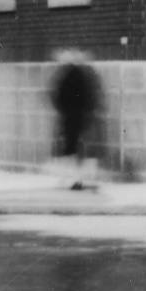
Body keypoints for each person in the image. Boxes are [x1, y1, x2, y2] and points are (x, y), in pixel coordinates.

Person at [48, 50, 103, 190]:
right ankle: (82, 179)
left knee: (71, 148)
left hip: (72, 117)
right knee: (81, 149)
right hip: (82, 116)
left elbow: (59, 95)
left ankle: (74, 180)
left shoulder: (69, 74)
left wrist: (62, 109)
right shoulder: (86, 74)